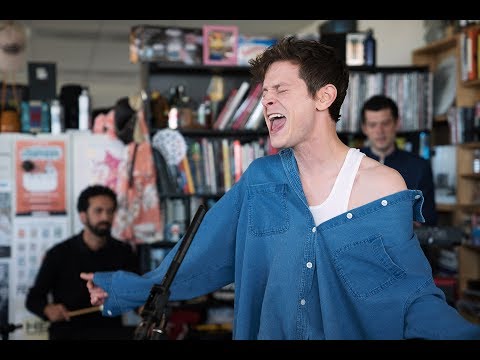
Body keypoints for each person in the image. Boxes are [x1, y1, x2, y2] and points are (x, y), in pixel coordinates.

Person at [81, 36, 480, 340]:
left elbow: (410, 295)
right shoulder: (260, 180)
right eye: (264, 93)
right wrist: (125, 288)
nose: (267, 102)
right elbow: (198, 255)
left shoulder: (382, 185)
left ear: (324, 96)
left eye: (281, 90)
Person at [26, 184, 139, 340]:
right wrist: (47, 309)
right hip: (67, 333)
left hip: (110, 333)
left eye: (110, 211)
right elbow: (33, 299)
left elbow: (136, 293)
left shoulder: (124, 252)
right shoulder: (58, 254)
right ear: (83, 216)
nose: (105, 217)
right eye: (98, 211)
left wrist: (146, 309)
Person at [360, 94, 438, 226]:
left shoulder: (419, 166)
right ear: (364, 128)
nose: (380, 131)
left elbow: (428, 219)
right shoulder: (349, 163)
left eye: (385, 123)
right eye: (373, 125)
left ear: (397, 123)